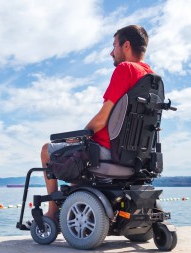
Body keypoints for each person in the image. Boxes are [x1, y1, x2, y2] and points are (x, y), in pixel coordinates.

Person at [41, 25, 154, 222]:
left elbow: (102, 119)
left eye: (114, 46)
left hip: (108, 152)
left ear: (126, 45)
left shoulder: (125, 69)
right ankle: (76, 202)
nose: (112, 52)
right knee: (74, 162)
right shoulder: (152, 79)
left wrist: (81, 136)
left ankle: (52, 213)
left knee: (46, 150)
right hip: (137, 158)